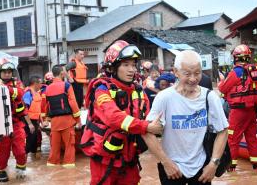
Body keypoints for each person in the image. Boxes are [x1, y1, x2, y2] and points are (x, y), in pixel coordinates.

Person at [80, 40, 164, 185]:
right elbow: (113, 117)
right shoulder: (101, 90)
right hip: (105, 163)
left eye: (133, 65)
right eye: (126, 65)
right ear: (113, 68)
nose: (132, 70)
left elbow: (151, 119)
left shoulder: (138, 91)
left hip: (130, 160)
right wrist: (145, 127)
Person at [144, 50, 229, 185]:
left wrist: (213, 164)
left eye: (197, 73)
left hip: (202, 169)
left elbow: (223, 131)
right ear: (176, 72)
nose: (193, 79)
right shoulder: (164, 98)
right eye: (187, 73)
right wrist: (166, 162)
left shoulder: (210, 97)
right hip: (172, 169)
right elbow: (146, 132)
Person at [218, 44, 257, 171]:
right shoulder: (256, 72)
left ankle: (231, 166)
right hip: (252, 110)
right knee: (251, 137)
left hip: (238, 111)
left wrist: (221, 81)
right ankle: (256, 166)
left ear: (236, 58)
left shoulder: (236, 72)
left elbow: (223, 88)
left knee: (232, 138)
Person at [0, 59, 35, 182]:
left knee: (21, 151)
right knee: (2, 155)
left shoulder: (17, 84)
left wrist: (4, 88)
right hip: (0, 126)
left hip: (16, 124)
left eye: (9, 71)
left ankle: (21, 168)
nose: (7, 74)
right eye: (4, 71)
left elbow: (20, 95)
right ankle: (2, 171)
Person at [45, 65, 81, 168]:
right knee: (69, 146)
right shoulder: (67, 86)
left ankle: (52, 166)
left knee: (54, 147)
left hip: (54, 123)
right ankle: (68, 171)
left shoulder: (47, 88)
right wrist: (78, 120)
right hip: (67, 121)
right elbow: (73, 103)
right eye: (65, 72)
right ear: (62, 74)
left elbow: (46, 106)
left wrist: (46, 120)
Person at [22, 76, 45, 159]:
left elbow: (38, 110)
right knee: (29, 141)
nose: (41, 85)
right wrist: (30, 124)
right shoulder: (28, 94)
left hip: (35, 121)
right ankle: (22, 163)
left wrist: (41, 122)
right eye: (40, 83)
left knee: (34, 142)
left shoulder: (37, 93)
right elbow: (24, 110)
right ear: (35, 83)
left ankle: (35, 165)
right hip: (28, 121)